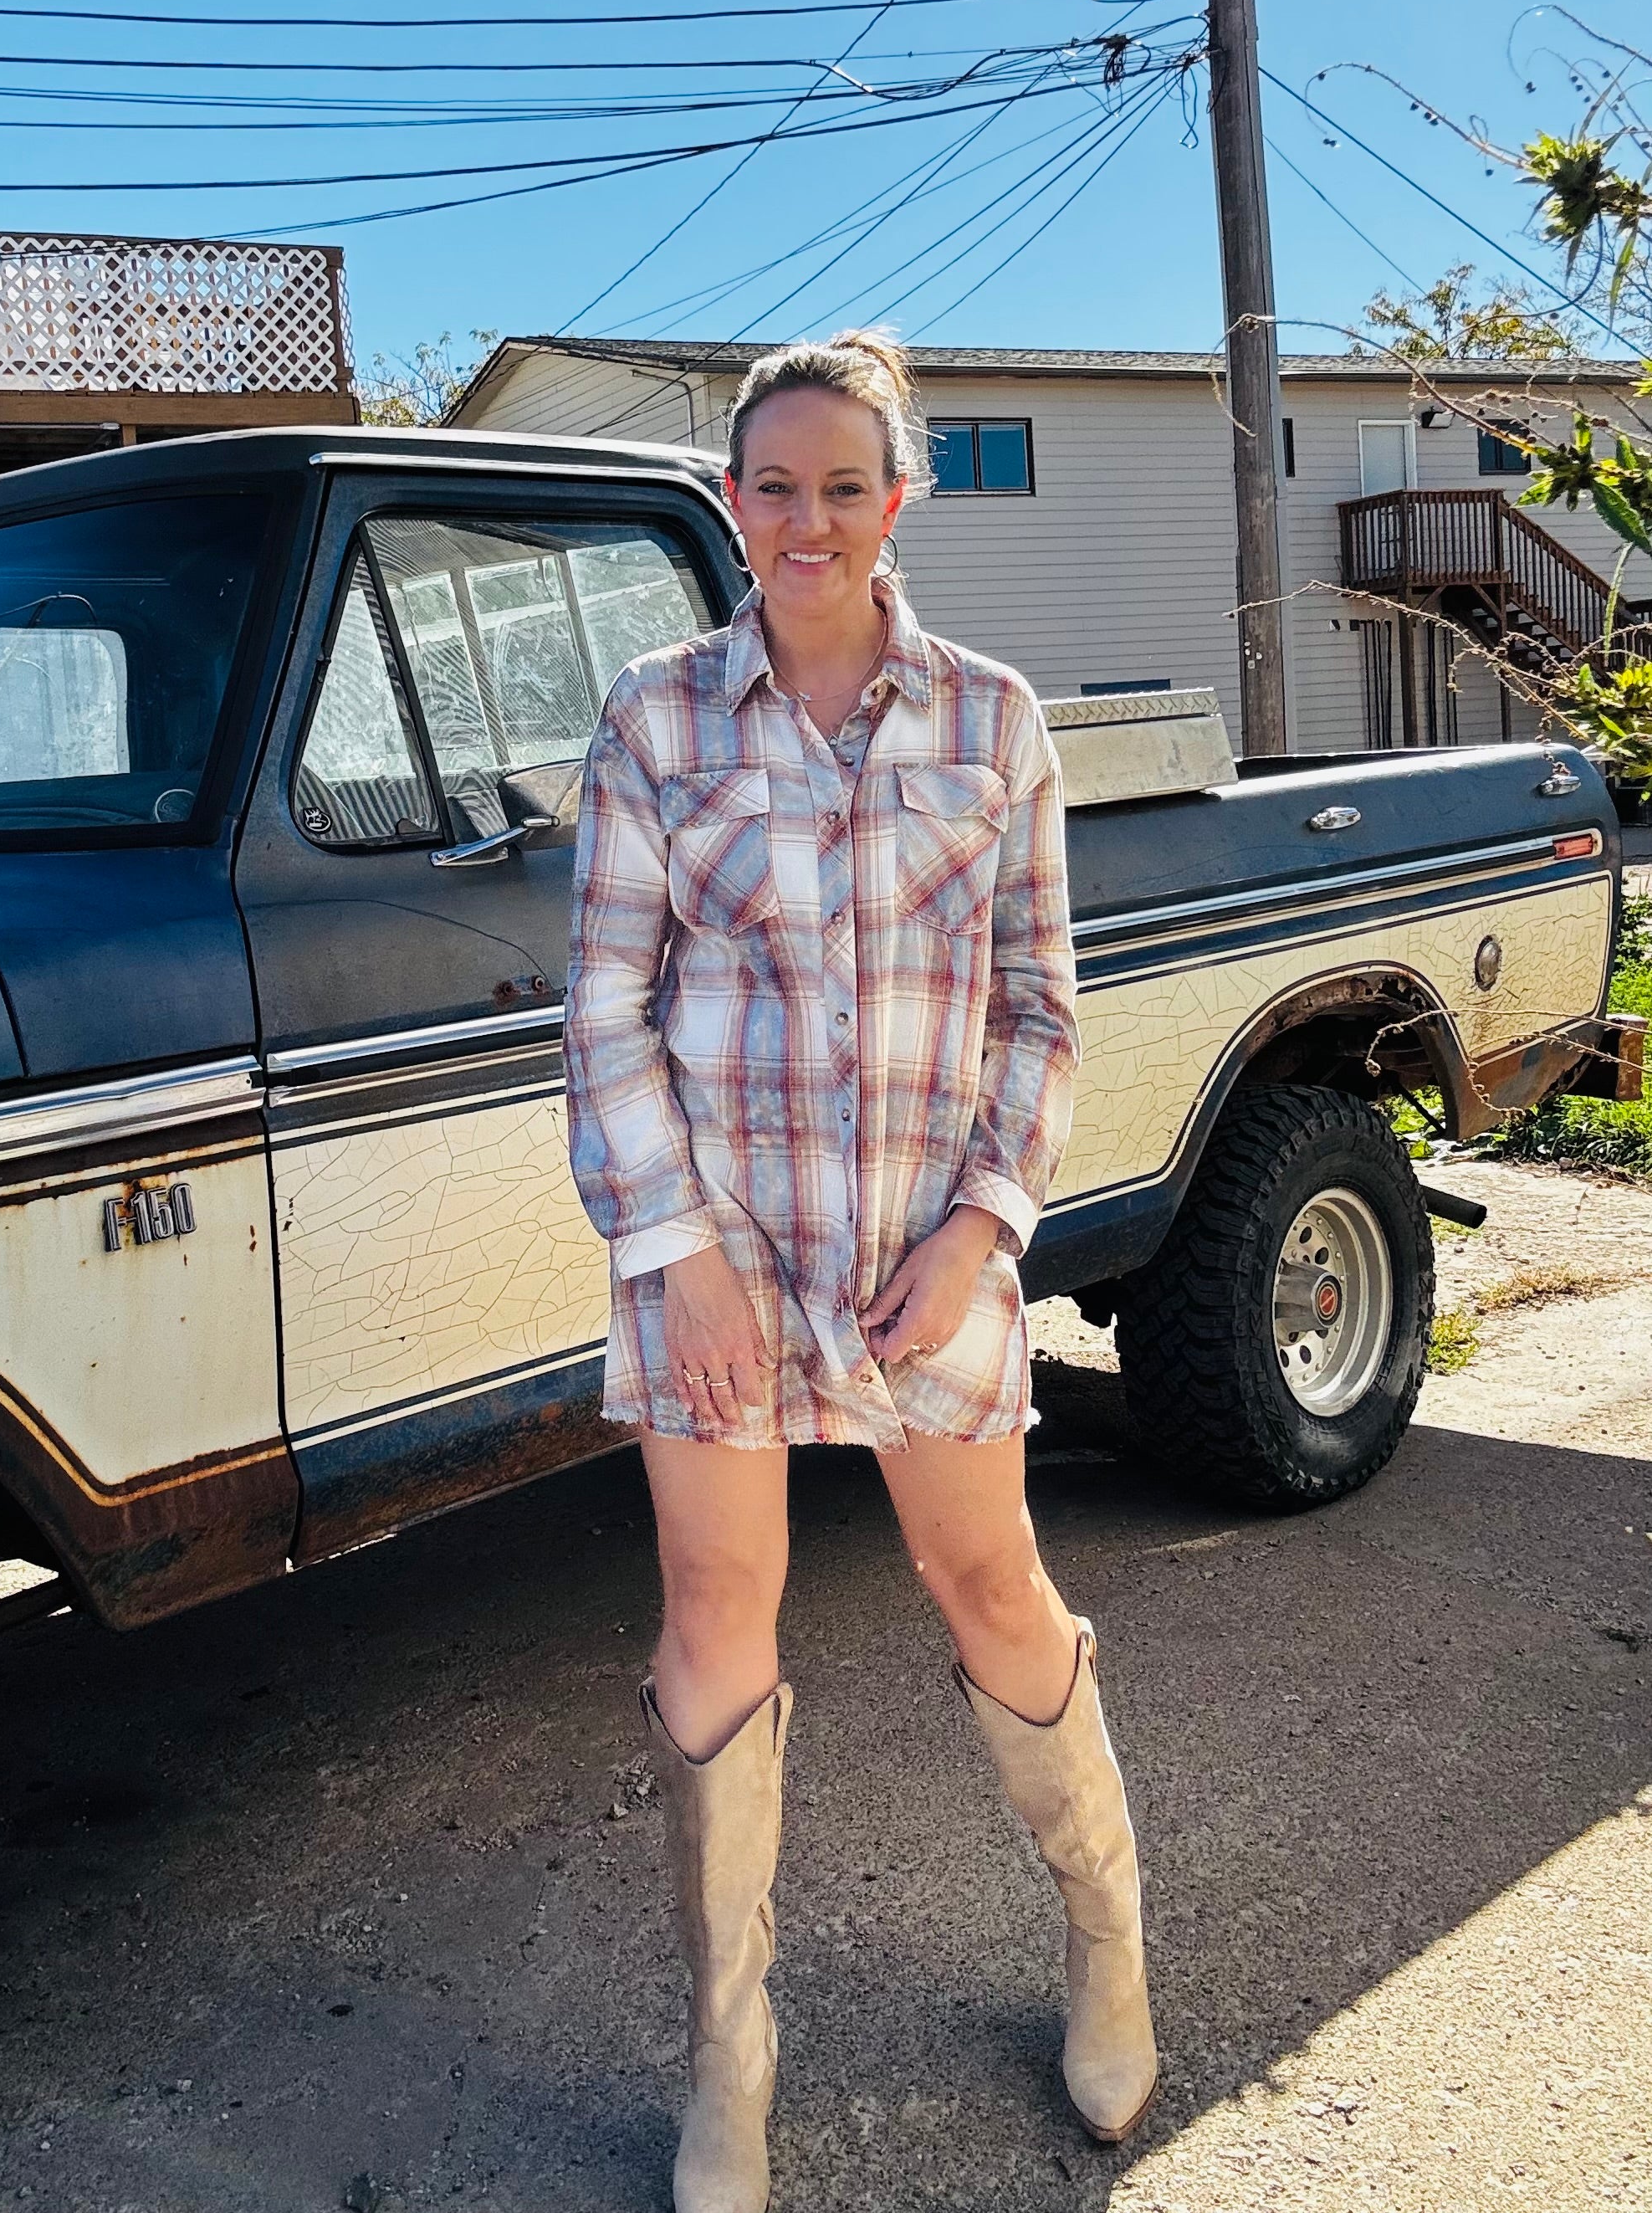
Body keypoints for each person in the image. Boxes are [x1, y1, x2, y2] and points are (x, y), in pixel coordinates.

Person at [564, 332, 1156, 2213]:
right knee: (714, 1609)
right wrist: (687, 1256)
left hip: (927, 1252)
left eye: (843, 483)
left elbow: (1042, 1008)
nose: (805, 518)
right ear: (732, 502)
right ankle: (728, 2057)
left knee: (986, 1574)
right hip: (711, 1255)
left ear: (898, 499)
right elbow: (603, 1005)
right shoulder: (657, 716)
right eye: (772, 484)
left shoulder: (993, 721)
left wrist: (985, 1230)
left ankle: (1106, 1939)